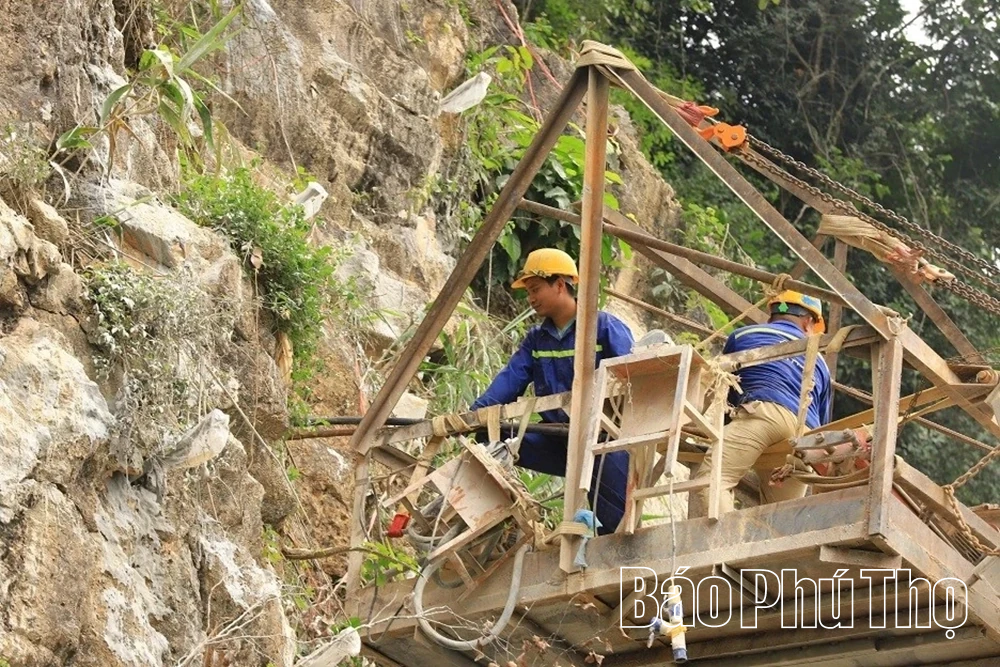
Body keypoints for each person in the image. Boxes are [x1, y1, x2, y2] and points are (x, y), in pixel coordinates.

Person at [470, 248, 635, 535]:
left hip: (604, 441)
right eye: (528, 292)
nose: (531, 298)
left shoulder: (604, 327)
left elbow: (632, 378)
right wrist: (474, 415)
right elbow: (510, 379)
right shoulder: (537, 339)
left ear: (560, 284)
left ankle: (613, 550)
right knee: (491, 435)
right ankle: (497, 524)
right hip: (559, 439)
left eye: (535, 289)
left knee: (618, 522)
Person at [690, 290, 832, 516]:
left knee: (713, 479)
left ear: (772, 316)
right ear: (808, 323)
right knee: (781, 516)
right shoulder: (822, 364)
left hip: (762, 414)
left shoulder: (745, 334)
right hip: (805, 439)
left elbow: (727, 389)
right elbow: (824, 423)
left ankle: (727, 545)